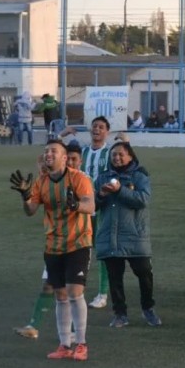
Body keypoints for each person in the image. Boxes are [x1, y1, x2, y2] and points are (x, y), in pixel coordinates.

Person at [10, 139, 95, 361]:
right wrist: (24, 194)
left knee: (75, 292)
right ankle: (65, 345)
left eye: (53, 151)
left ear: (64, 158)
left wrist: (76, 205)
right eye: (46, 151)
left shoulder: (79, 178)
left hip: (78, 242)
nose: (48, 154)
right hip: (53, 245)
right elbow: (30, 210)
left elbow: (90, 205)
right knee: (60, 295)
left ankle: (82, 344)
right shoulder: (42, 181)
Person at [95, 141, 161, 328]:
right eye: (114, 155)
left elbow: (143, 200)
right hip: (110, 235)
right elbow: (93, 204)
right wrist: (100, 194)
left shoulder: (140, 176)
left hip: (135, 235)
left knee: (144, 273)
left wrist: (120, 191)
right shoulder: (103, 177)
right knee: (115, 278)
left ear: (130, 156)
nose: (117, 158)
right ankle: (120, 314)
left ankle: (148, 308)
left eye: (121, 154)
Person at [59, 116, 113, 309]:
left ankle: (103, 293)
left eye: (101, 127)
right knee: (77, 251)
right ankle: (72, 287)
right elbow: (56, 156)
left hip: (102, 209)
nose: (97, 129)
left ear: (107, 131)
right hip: (80, 211)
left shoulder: (110, 153)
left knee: (102, 252)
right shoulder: (82, 152)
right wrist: (61, 135)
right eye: (94, 127)